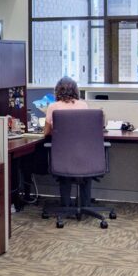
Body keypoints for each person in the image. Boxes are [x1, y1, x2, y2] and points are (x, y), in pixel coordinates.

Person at [43, 76, 91, 211]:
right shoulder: (84, 105)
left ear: (57, 91)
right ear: (76, 90)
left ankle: (65, 206)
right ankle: (85, 204)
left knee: (64, 169)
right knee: (85, 171)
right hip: (84, 154)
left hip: (62, 156)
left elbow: (46, 132)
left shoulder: (53, 107)